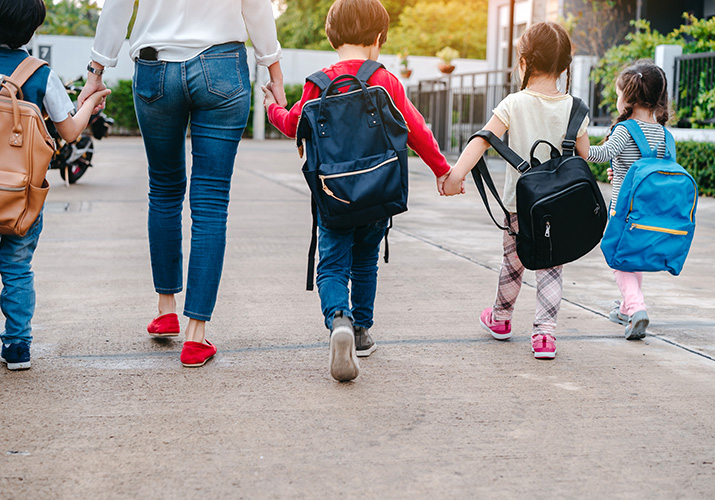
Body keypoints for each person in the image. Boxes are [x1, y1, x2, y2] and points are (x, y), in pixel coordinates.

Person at [78, 0, 286, 368]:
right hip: (223, 67)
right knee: (210, 201)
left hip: (155, 67)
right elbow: (255, 7)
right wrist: (274, 70)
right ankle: (195, 336)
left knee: (164, 190)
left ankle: (165, 309)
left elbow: (117, 7)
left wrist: (96, 72)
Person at [262, 0, 455, 381]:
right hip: (378, 193)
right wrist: (443, 171)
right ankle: (363, 333)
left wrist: (272, 106)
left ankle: (339, 321)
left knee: (332, 264)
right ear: (378, 38)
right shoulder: (385, 80)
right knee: (366, 260)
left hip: (334, 196)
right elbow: (417, 130)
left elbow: (291, 125)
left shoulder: (318, 83)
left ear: (332, 37)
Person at [443, 22, 590, 360]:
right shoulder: (575, 108)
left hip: (519, 206)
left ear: (523, 62)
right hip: (561, 208)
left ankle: (501, 319)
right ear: (566, 66)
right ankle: (545, 336)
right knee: (552, 266)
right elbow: (583, 158)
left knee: (513, 263)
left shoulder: (513, 103)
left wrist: (456, 175)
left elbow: (483, 139)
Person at [0, 0, 110, 370]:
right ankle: (17, 347)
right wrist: (91, 100)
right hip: (20, 195)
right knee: (16, 268)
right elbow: (69, 131)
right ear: (31, 30)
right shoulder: (39, 74)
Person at [586, 60, 671, 339]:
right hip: (651, 212)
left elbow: (598, 155)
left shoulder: (624, 130)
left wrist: (578, 140)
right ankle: (625, 308)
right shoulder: (663, 134)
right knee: (633, 257)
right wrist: (620, 170)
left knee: (617, 258)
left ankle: (636, 308)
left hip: (623, 211)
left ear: (628, 97)